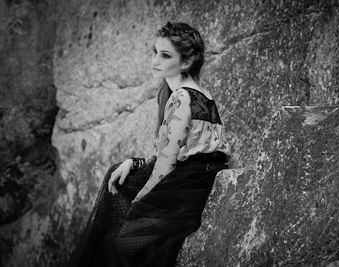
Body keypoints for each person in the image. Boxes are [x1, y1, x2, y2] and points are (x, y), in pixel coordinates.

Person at [67, 21, 231, 267]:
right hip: (190, 178)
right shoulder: (201, 95)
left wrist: (137, 205)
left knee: (115, 242)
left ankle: (121, 234)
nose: (155, 61)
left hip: (185, 190)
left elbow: (166, 165)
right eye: (155, 52)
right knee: (118, 172)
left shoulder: (182, 97)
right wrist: (134, 162)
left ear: (186, 62)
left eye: (165, 56)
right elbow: (173, 151)